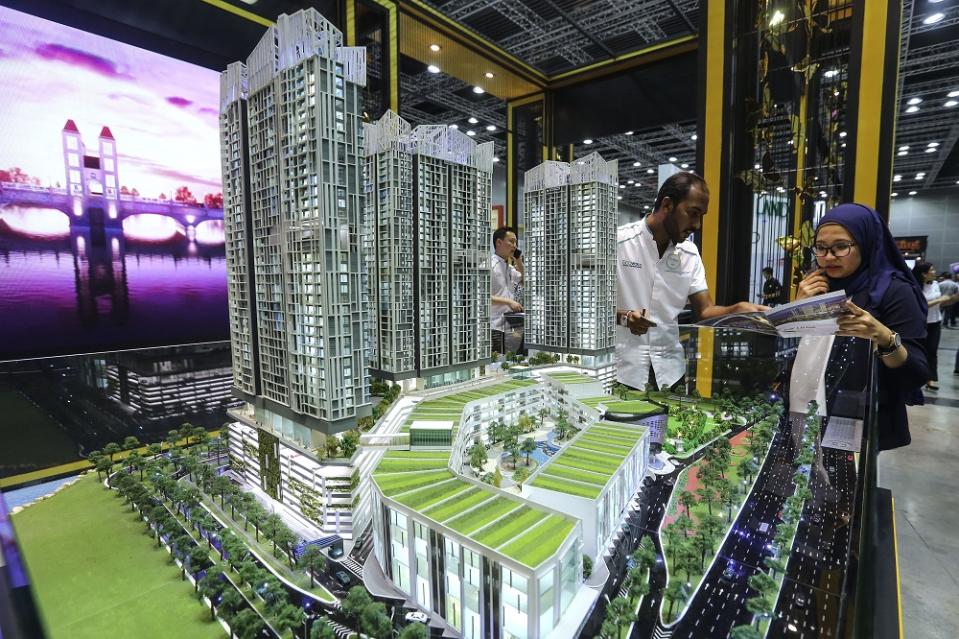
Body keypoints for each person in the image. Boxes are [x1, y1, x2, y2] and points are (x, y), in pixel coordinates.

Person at [616, 172, 767, 391]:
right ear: (667, 204)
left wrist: (737, 309)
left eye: (702, 216)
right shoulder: (618, 243)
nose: (697, 224)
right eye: (693, 213)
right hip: (623, 372)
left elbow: (705, 311)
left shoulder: (690, 253)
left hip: (671, 373)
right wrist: (625, 317)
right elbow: (591, 308)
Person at [795, 203, 928, 450]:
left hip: (860, 417)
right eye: (821, 248)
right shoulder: (816, 286)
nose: (828, 257)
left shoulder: (894, 292)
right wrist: (797, 310)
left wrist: (884, 337)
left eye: (841, 246)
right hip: (808, 410)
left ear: (866, 244)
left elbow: (916, 374)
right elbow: (795, 352)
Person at [912, 262, 951, 390]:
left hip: (935, 321)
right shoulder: (914, 287)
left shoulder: (935, 284)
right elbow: (921, 306)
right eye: (932, 270)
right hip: (920, 323)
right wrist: (940, 300)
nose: (934, 272)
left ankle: (931, 379)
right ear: (924, 274)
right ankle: (916, 377)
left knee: (932, 351)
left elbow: (938, 303)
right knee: (918, 351)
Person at [491, 226, 524, 355]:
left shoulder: (509, 268)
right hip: (494, 326)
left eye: (516, 242)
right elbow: (481, 297)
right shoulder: (489, 266)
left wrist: (519, 261)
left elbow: (524, 281)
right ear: (499, 242)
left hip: (510, 326)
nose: (514, 246)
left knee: (509, 362)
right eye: (511, 241)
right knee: (496, 364)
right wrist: (508, 302)